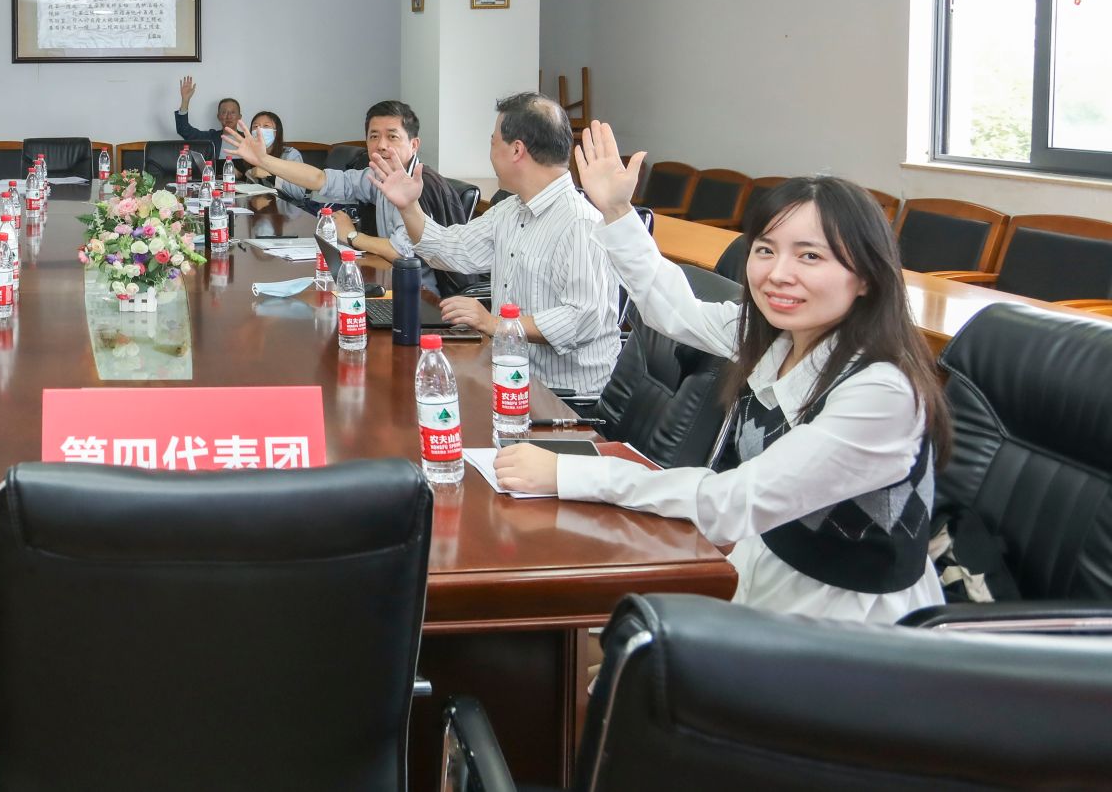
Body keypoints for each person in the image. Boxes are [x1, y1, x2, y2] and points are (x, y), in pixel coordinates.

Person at [494, 122, 950, 625]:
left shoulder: (881, 392)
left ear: (865, 275)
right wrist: (618, 212)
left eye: (810, 256)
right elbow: (672, 308)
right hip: (763, 569)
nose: (778, 274)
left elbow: (733, 502)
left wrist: (571, 472)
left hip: (852, 621)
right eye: (765, 249)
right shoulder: (774, 336)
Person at [372, 92, 619, 397]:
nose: (489, 153)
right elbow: (452, 248)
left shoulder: (580, 222)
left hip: (563, 398)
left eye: (493, 142)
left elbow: (581, 321)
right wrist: (409, 207)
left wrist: (494, 323)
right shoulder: (510, 210)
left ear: (516, 150)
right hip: (509, 375)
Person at [224, 100, 480, 291]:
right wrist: (264, 160)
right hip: (386, 281)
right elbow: (320, 179)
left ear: (414, 145)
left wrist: (352, 236)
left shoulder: (420, 185)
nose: (381, 145)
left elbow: (402, 252)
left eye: (392, 136)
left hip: (421, 297)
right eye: (374, 136)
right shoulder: (377, 175)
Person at [242, 110, 307, 200]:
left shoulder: (291, 155)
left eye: (266, 126)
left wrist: (270, 177)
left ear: (276, 132)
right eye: (255, 126)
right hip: (262, 206)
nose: (259, 130)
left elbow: (299, 193)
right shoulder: (253, 155)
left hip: (288, 207)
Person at [174, 75, 240, 161]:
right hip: (218, 170)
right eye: (224, 112)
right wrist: (185, 100)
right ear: (218, 116)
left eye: (233, 112)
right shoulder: (211, 137)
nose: (229, 116)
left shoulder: (248, 139)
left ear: (239, 117)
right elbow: (184, 131)